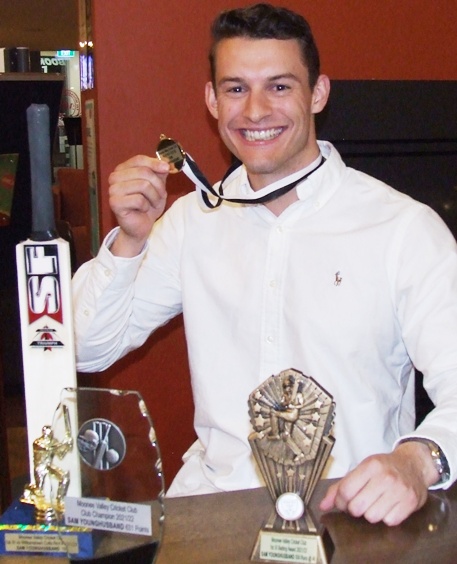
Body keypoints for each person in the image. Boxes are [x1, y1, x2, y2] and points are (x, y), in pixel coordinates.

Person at [72, 3, 457, 526]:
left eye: (279, 86)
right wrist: (129, 245)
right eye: (235, 88)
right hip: (213, 510)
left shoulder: (402, 229)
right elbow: (87, 347)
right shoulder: (190, 223)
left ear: (317, 92)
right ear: (211, 99)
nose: (254, 111)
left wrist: (418, 459)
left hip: (348, 514)